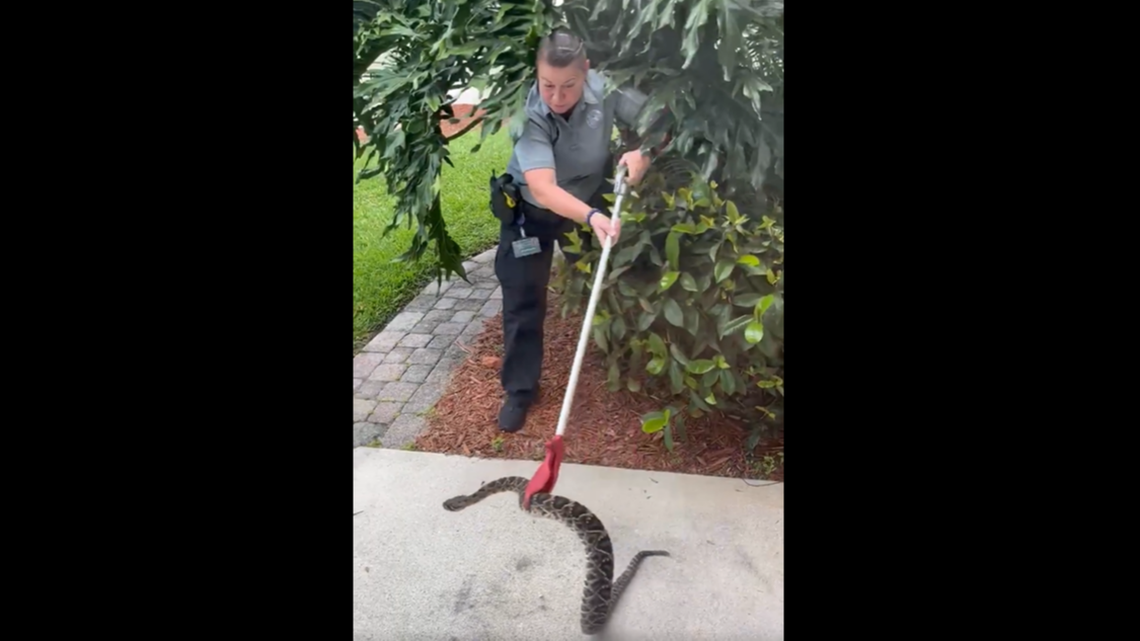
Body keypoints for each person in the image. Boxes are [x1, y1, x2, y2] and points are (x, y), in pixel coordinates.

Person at [489, 29, 658, 432]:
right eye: (548, 85)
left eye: (569, 85)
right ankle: (520, 390)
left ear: (586, 70)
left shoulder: (607, 88)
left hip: (589, 197)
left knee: (611, 279)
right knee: (523, 299)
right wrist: (593, 218)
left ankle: (619, 363)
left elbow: (660, 119)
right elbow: (545, 188)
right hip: (532, 211)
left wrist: (645, 151)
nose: (558, 97)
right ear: (537, 74)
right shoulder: (527, 110)